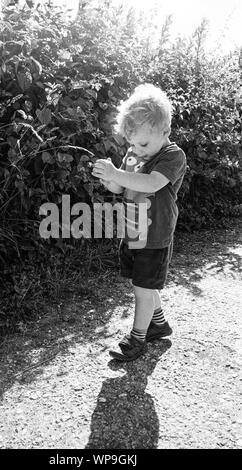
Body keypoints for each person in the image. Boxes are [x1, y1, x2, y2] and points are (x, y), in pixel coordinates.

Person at [92, 83, 187, 361]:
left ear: (164, 131)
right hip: (133, 228)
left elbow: (151, 182)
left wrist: (118, 175)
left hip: (155, 235)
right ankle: (158, 324)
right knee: (143, 282)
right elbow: (121, 188)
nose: (137, 150)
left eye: (143, 144)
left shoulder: (172, 156)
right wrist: (109, 178)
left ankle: (137, 339)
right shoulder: (134, 154)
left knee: (143, 289)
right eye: (132, 143)